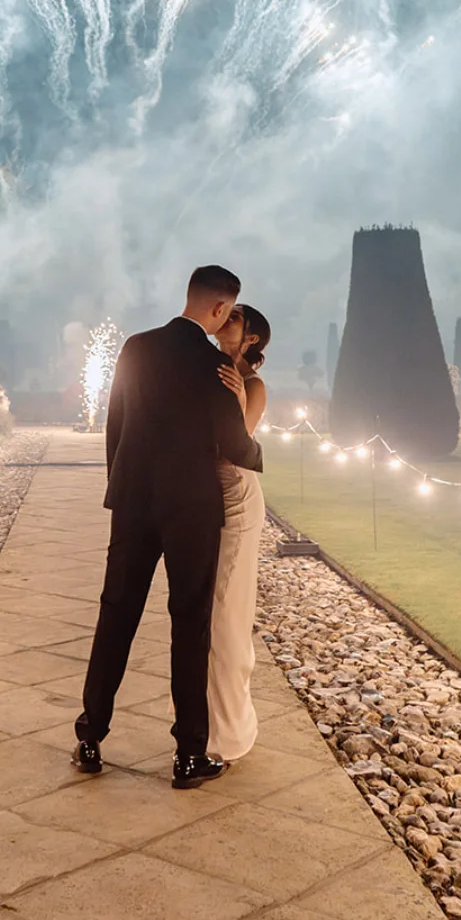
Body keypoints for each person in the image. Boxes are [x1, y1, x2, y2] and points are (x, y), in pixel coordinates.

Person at [74, 265, 262, 788]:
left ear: (190, 297)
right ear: (221, 309)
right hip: (192, 511)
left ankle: (90, 738)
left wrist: (121, 487)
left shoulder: (135, 347)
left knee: (115, 617)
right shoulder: (214, 365)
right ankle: (187, 756)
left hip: (135, 503)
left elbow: (116, 424)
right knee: (189, 628)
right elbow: (236, 447)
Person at [208, 304, 270, 762]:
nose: (225, 321)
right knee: (205, 616)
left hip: (236, 498)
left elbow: (236, 446)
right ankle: (205, 723)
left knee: (227, 615)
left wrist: (237, 400)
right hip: (202, 500)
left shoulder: (252, 385)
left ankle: (226, 738)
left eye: (234, 318)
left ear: (249, 338)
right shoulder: (205, 368)